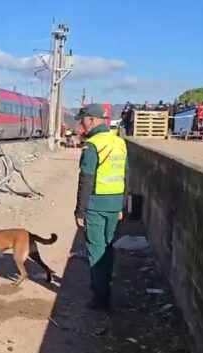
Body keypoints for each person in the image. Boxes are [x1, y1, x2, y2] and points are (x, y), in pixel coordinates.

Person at [74, 104, 128, 311]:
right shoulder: (119, 143)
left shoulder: (93, 145)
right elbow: (125, 174)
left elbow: (86, 179)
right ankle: (105, 288)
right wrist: (121, 204)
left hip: (96, 204)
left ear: (92, 119)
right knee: (108, 247)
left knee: (96, 250)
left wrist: (80, 210)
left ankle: (100, 298)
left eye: (83, 119)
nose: (81, 124)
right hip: (114, 204)